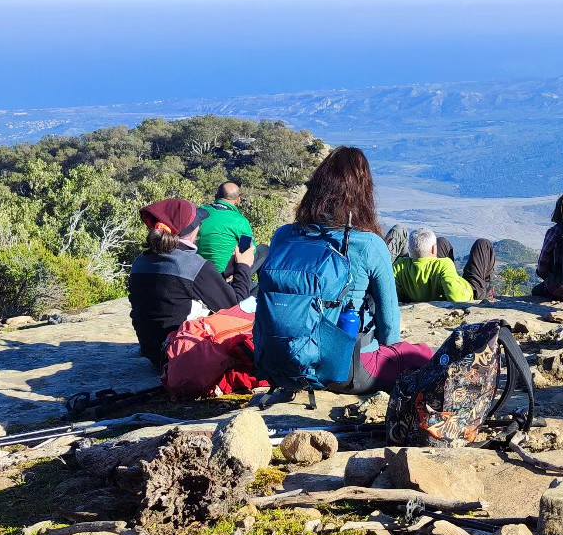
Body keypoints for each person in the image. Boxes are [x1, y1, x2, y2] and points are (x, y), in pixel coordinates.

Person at [258, 147, 436, 391]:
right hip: (347, 371)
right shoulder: (369, 244)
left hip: (281, 365)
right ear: (363, 194)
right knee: (425, 355)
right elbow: (390, 331)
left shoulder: (284, 236)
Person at [128, 198, 255, 370]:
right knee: (255, 302)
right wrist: (243, 266)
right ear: (191, 230)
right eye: (199, 223)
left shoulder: (140, 262)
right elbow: (235, 307)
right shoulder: (192, 265)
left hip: (152, 352)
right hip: (181, 355)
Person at [393, 228, 474, 303]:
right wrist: (469, 290)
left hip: (411, 301)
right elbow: (457, 298)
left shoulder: (400, 265)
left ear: (409, 249)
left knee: (441, 241)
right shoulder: (443, 265)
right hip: (457, 294)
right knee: (483, 243)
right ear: (434, 249)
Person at [197, 182, 254, 274]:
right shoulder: (241, 221)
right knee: (263, 250)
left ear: (216, 196)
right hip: (223, 275)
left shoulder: (199, 212)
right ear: (238, 200)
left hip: (196, 271)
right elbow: (246, 251)